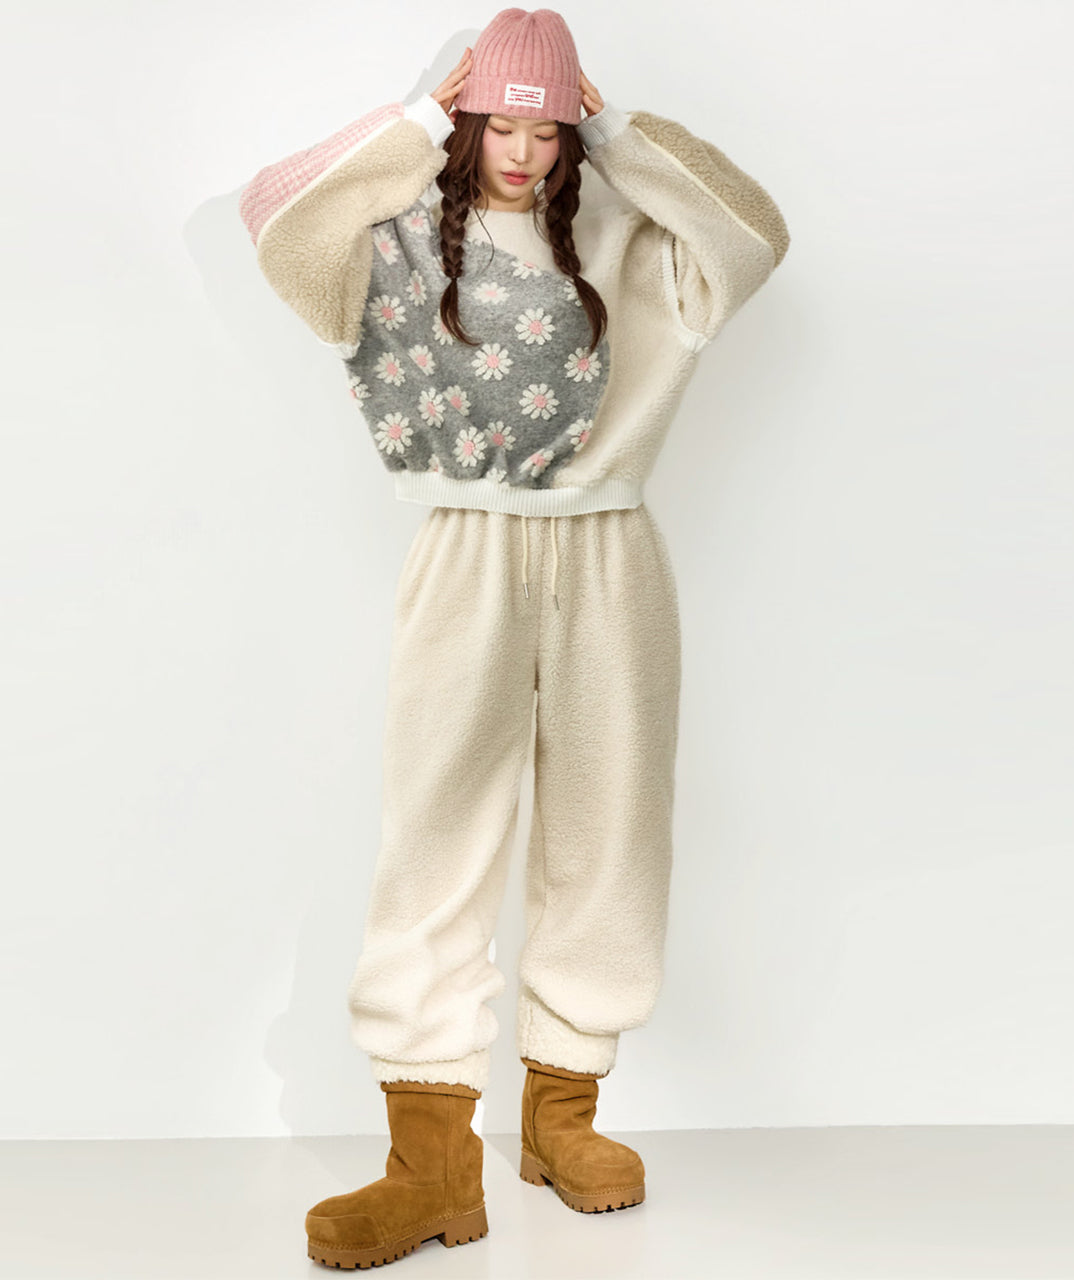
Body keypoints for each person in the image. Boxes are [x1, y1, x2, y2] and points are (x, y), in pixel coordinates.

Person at [238, 7, 790, 1268]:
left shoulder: (630, 238)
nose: (523, 151)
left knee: (610, 827)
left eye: (546, 129)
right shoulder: (390, 246)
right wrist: (418, 119)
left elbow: (752, 236)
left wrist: (617, 131)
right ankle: (430, 1160)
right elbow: (278, 220)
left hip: (611, 548)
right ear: (467, 121)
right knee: (435, 834)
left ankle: (562, 1113)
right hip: (465, 549)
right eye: (500, 123)